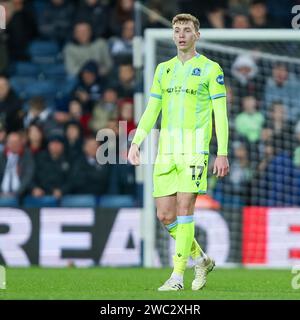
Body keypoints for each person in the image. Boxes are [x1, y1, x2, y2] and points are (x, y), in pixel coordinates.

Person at [128, 14, 229, 291]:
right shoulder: (163, 69)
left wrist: (222, 152)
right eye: (177, 30)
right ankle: (201, 259)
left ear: (197, 35)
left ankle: (177, 276)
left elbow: (220, 114)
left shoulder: (211, 69)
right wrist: (136, 141)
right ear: (173, 36)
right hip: (167, 150)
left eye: (187, 30)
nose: (181, 34)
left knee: (185, 210)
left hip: (195, 149)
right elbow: (152, 109)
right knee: (165, 216)